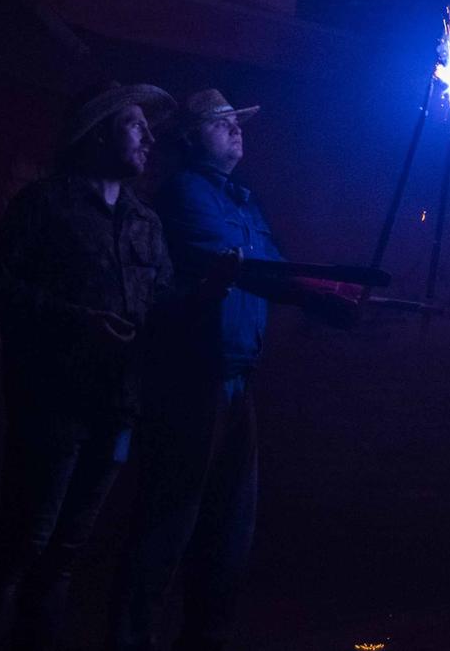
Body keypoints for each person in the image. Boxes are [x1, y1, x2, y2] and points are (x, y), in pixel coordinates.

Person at [111, 88, 360, 651]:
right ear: (191, 138)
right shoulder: (185, 194)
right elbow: (249, 269)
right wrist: (318, 291)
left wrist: (330, 288)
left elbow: (277, 266)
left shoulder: (244, 200)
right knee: (168, 527)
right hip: (192, 381)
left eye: (237, 123)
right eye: (221, 124)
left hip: (238, 381)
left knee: (229, 535)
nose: (236, 131)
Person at [0, 83, 178, 651]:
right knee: (24, 542)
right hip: (52, 402)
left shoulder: (145, 222)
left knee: (65, 551)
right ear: (100, 131)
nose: (149, 137)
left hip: (117, 405)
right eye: (136, 126)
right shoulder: (44, 204)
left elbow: (162, 301)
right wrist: (77, 320)